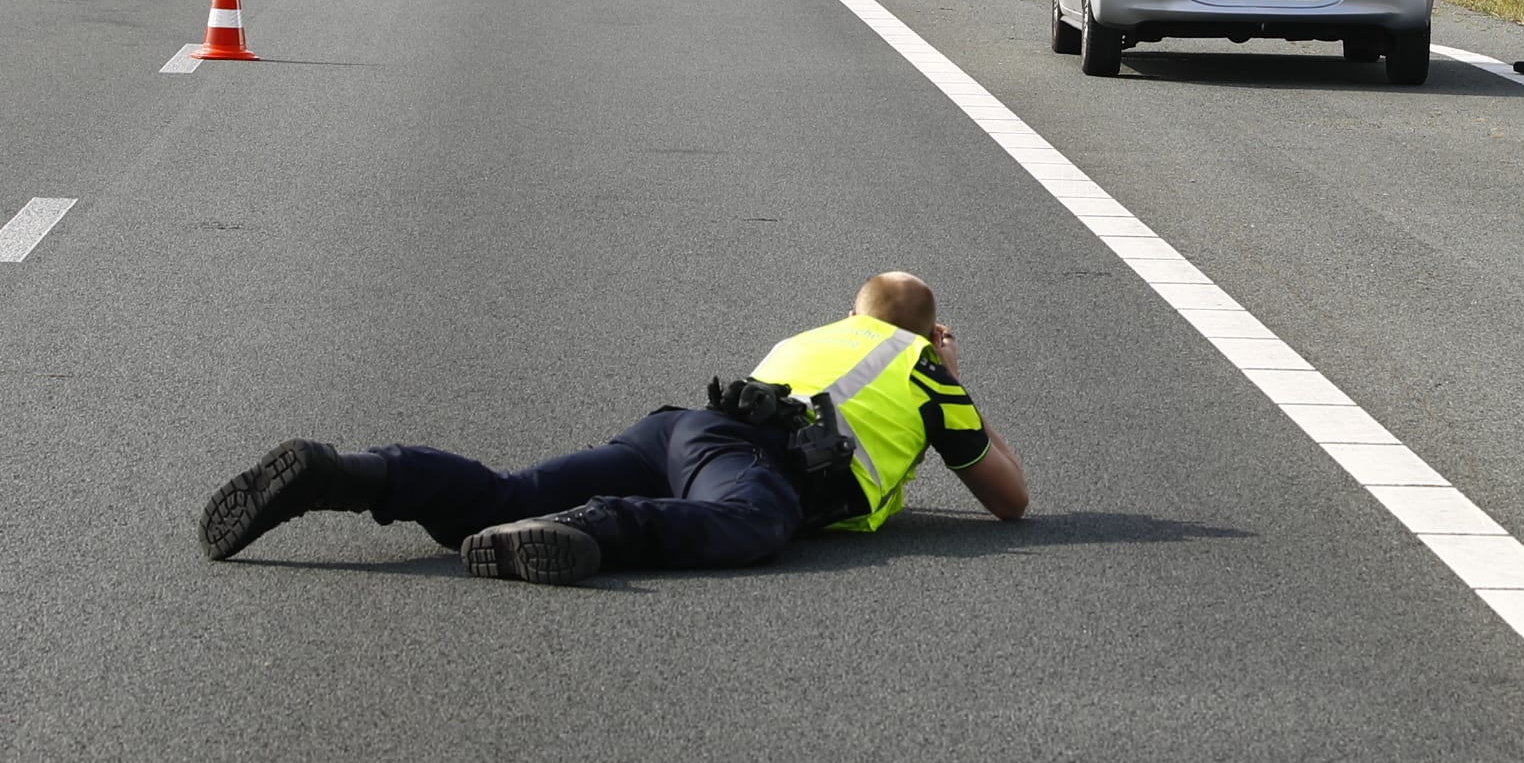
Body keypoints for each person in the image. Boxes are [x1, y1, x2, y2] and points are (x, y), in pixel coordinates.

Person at [197, 273, 1028, 584]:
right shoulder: (925, 371)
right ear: (930, 332)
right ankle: (590, 531)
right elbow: (1009, 500)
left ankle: (346, 474)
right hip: (750, 461)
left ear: (852, 309)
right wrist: (952, 374)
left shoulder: (815, 336)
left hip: (681, 428)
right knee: (753, 524)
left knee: (503, 491)